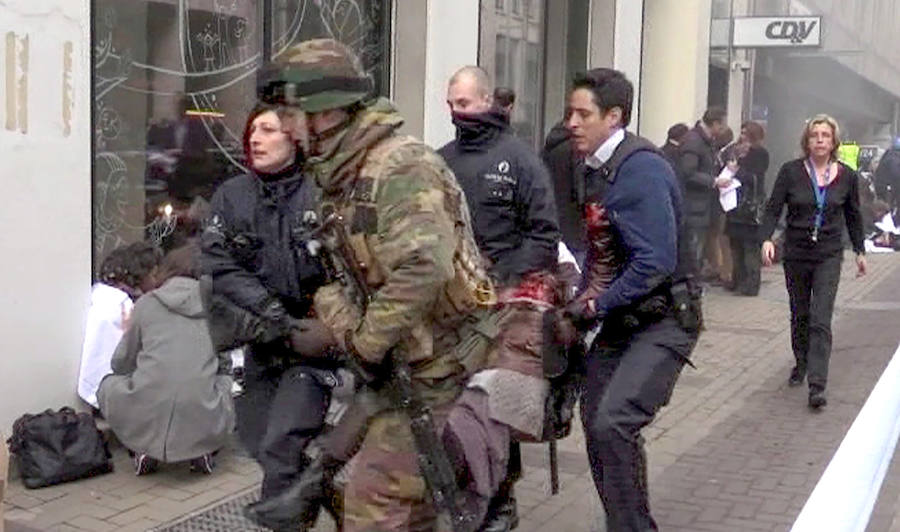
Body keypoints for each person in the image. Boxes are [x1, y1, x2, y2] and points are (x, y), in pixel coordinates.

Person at [251, 38, 494, 532]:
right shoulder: (342, 173)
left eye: (291, 115)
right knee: (388, 502)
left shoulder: (399, 165)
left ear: (326, 113)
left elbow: (424, 267)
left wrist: (364, 343)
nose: (288, 130)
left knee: (375, 507)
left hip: (436, 367)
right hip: (402, 366)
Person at [561, 67, 701, 532]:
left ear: (614, 116)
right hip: (625, 319)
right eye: (570, 113)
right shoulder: (594, 167)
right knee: (596, 423)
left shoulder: (641, 169)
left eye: (583, 114)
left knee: (613, 423)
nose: (572, 123)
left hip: (665, 321)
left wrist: (594, 307)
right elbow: (602, 249)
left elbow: (653, 262)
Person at [439, 66, 561, 531]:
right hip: (449, 305)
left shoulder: (522, 160)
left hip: (506, 302)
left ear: (488, 101)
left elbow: (543, 233)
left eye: (464, 104)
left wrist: (504, 280)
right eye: (451, 104)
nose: (456, 112)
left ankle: (498, 501)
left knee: (492, 404)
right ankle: (468, 492)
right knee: (452, 405)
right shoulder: (441, 159)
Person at [200, 102, 335, 518]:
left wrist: (322, 327)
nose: (255, 138)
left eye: (268, 130)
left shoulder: (322, 193)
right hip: (262, 340)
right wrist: (271, 315)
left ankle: (285, 519)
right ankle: (322, 490)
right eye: (252, 130)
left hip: (312, 349)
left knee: (281, 446)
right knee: (257, 441)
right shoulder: (232, 197)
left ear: (294, 136)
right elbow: (219, 266)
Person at [97, 243, 234, 475]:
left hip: (148, 404)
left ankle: (143, 447)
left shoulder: (146, 304)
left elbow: (120, 363)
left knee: (109, 385)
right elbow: (225, 364)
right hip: (202, 409)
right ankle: (203, 446)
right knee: (221, 382)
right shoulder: (219, 309)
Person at [761, 114, 867, 409]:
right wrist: (767, 238)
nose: (820, 140)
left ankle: (817, 385)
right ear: (806, 142)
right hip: (796, 252)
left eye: (825, 135)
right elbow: (772, 209)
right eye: (814, 135)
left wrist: (860, 251)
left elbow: (853, 216)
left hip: (829, 254)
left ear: (833, 142)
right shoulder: (791, 172)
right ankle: (801, 362)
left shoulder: (847, 176)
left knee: (821, 318)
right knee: (800, 314)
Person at [78, 242, 162, 410]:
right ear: (140, 275)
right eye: (153, 275)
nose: (157, 282)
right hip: (114, 400)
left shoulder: (100, 296)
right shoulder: (122, 307)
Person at [677, 107, 729, 275]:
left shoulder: (707, 141)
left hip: (704, 208)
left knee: (698, 252)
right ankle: (690, 288)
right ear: (714, 124)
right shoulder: (694, 141)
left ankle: (694, 285)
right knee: (693, 252)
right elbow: (688, 172)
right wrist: (713, 181)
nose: (723, 130)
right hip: (694, 208)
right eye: (722, 126)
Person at [725, 121, 770, 296]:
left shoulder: (760, 153)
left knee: (750, 247)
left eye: (746, 132)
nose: (742, 135)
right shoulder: (736, 151)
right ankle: (737, 280)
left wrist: (736, 171)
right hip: (735, 204)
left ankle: (751, 284)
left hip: (750, 206)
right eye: (741, 132)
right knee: (735, 245)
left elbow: (755, 177)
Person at [875, 137, 900, 216]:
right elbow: (896, 174)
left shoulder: (889, 155)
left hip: (884, 187)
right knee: (889, 208)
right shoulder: (894, 158)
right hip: (889, 188)